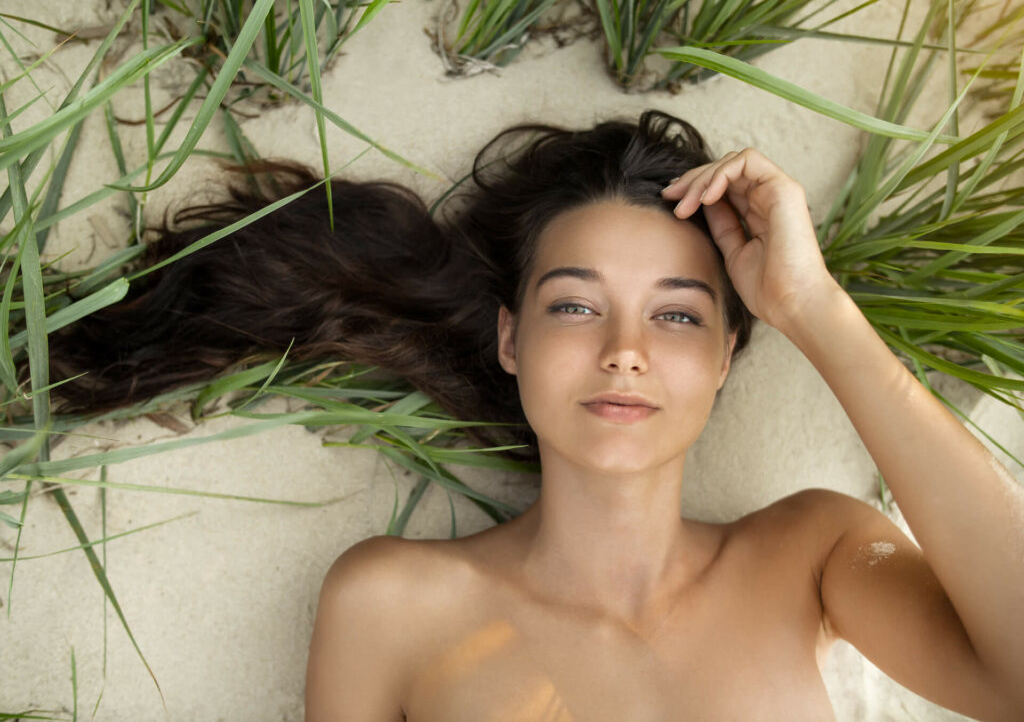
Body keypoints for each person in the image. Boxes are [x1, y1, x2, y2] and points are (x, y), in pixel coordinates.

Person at [47, 112, 1024, 721]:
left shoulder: (809, 553)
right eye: (574, 303)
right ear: (512, 339)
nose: (625, 348)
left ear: (728, 353)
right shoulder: (393, 603)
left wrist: (815, 309)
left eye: (678, 314)